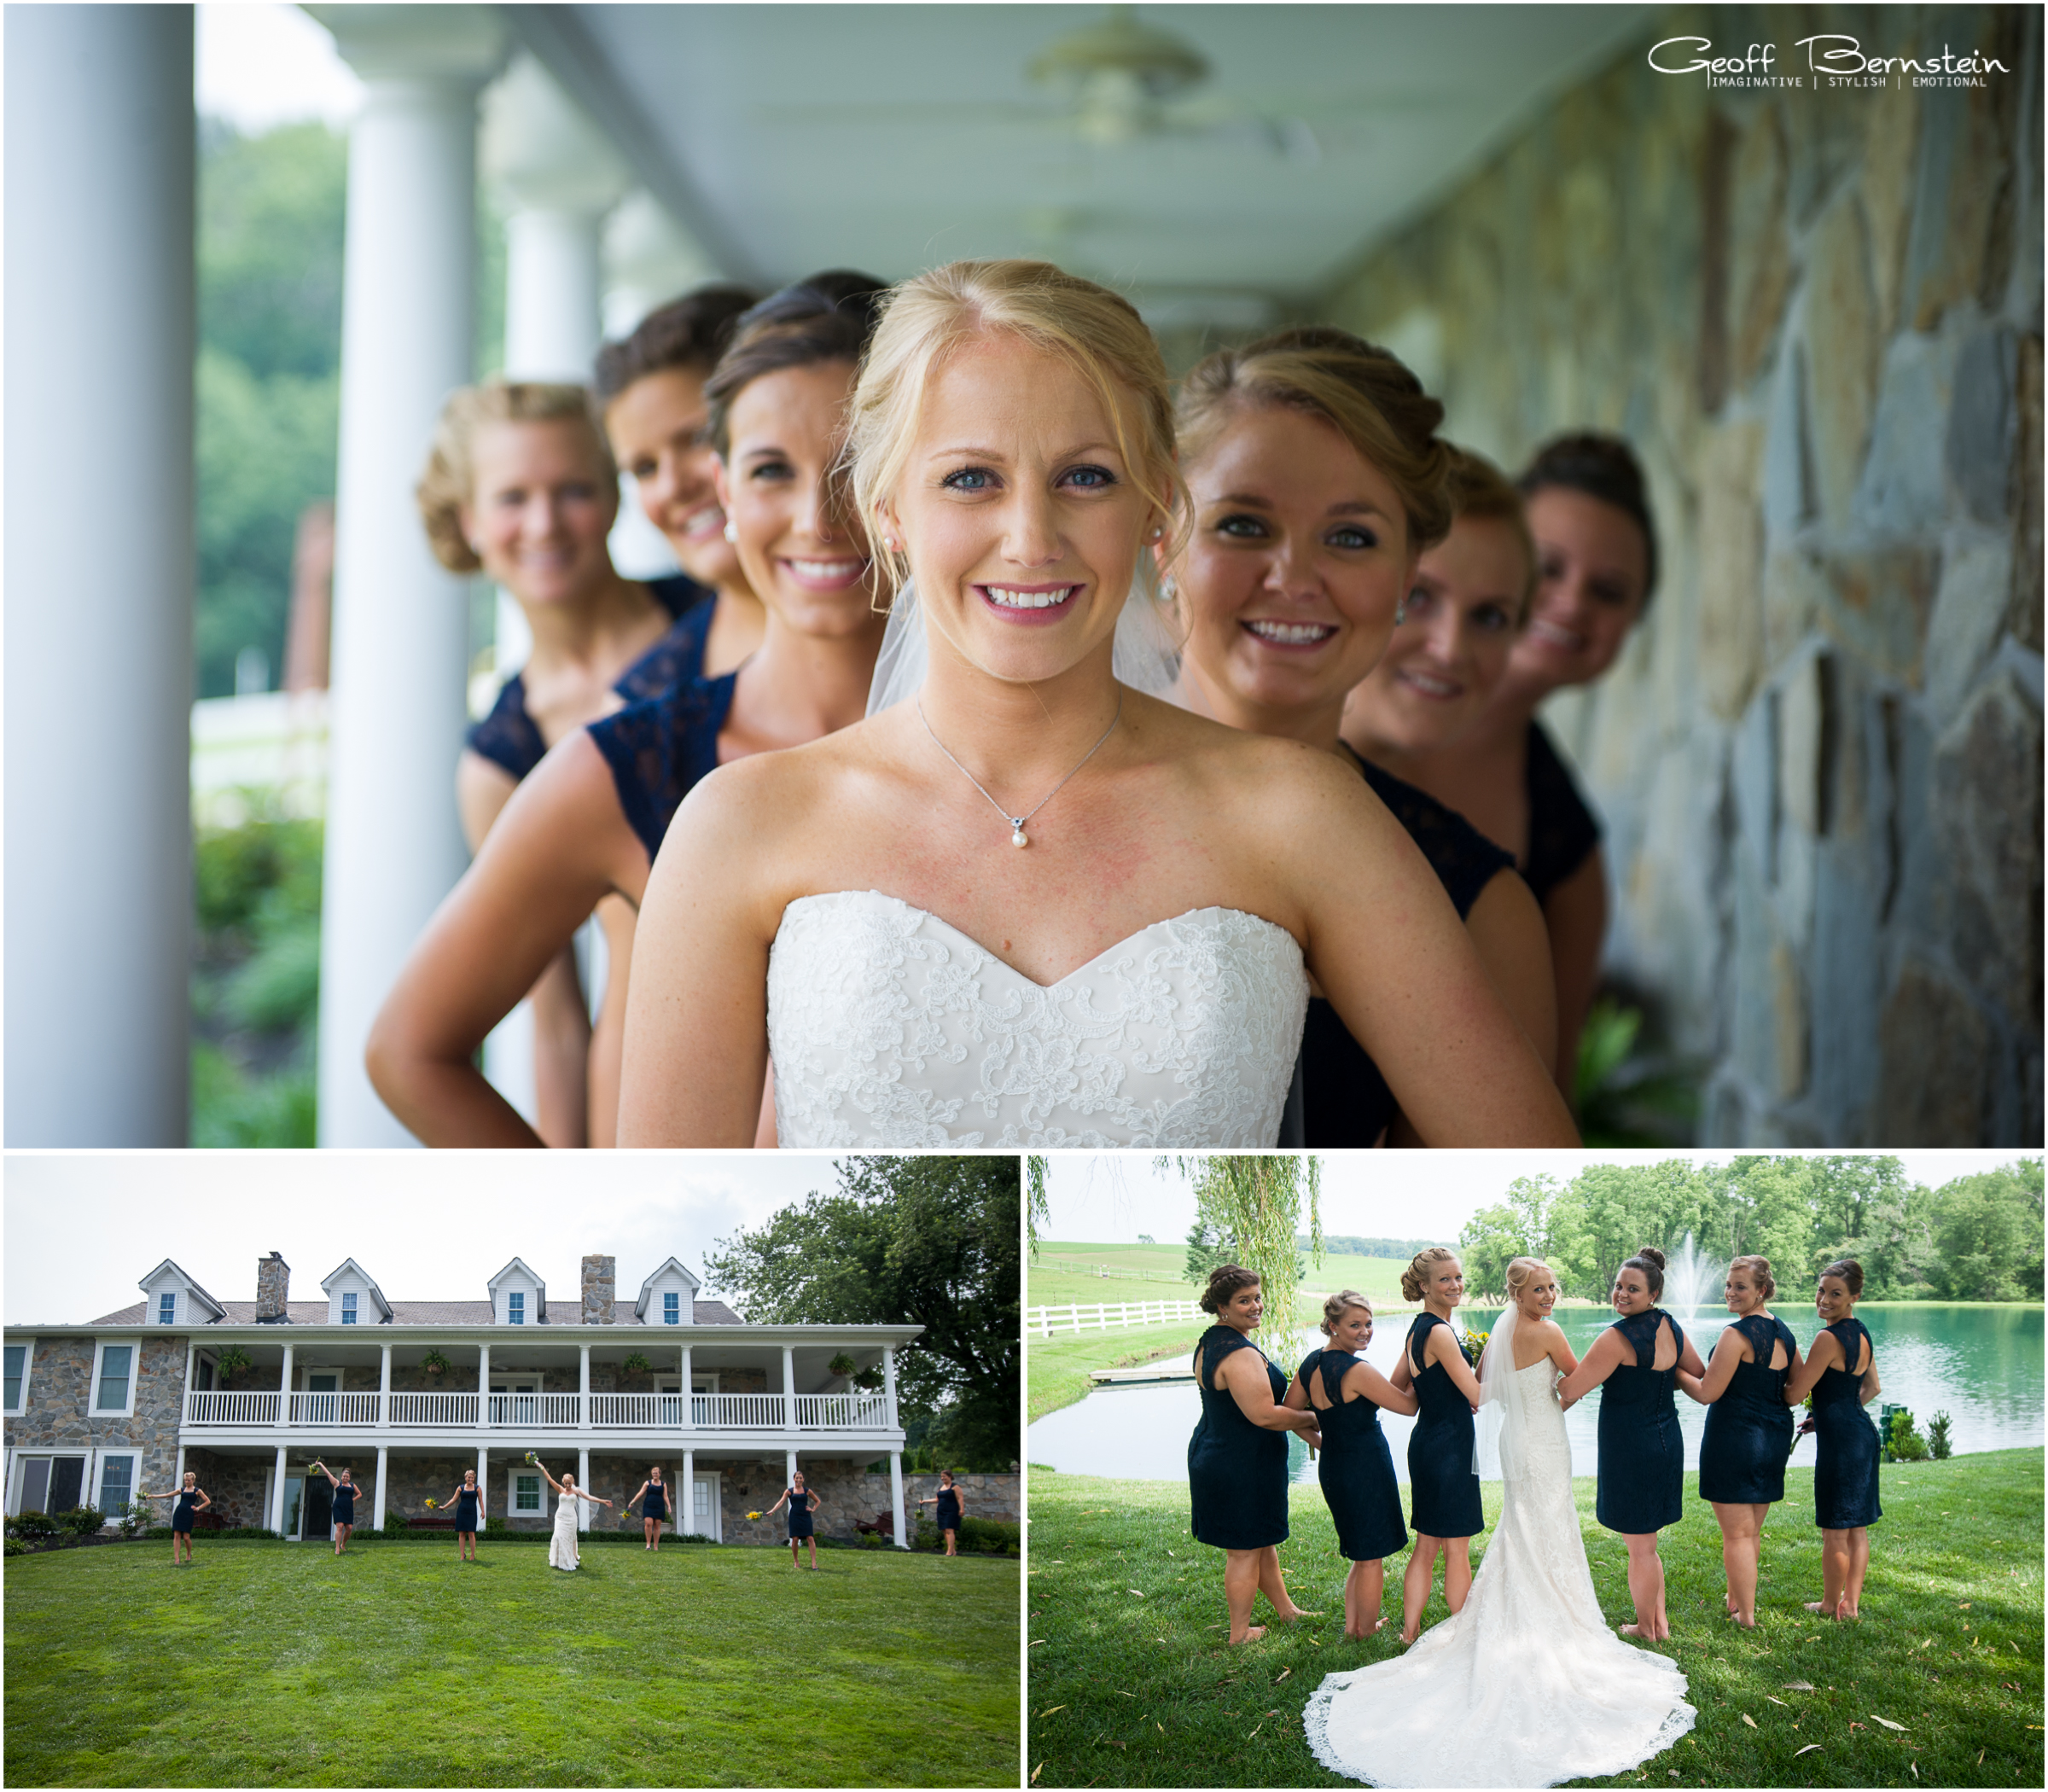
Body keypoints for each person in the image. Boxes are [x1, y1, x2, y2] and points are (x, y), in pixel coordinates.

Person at [615, 258, 1580, 1148]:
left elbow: (1531, 1179)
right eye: (970, 480)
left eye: (1086, 477)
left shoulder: (1305, 815)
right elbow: (671, 1227)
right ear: (888, 512)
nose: (1031, 538)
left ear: (1156, 508)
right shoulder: (739, 826)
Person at [368, 274, 892, 1147]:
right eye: (646, 463)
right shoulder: (631, 746)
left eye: (849, 465)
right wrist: (577, 1212)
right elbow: (523, 1026)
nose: (815, 513)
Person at [1167, 337, 1556, 1143]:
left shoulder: (1477, 908)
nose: (1295, 577)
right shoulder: (1026, 802)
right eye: (1243, 524)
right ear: (1162, 535)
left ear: (1410, 571)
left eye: (1350, 537)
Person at [419, 380, 715, 1146]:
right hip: (648, 1082)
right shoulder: (498, 767)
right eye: (513, 497)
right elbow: (554, 1023)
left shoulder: (722, 618)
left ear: (613, 498)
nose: (545, 523)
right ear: (469, 521)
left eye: (574, 490)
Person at [1342, 432, 1658, 1094]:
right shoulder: (1312, 731)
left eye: (1608, 591)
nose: (1571, 602)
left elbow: (1547, 1090)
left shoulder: (1566, 854)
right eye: (1549, 569)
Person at [1303, 1255, 1696, 1788]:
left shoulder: (1465, 1336)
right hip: (1541, 1439)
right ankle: (1527, 1612)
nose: (1550, 1297)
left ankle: (1433, 1622)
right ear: (1519, 1293)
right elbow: (1568, 1384)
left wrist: (1497, 1381)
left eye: (1553, 1288)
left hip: (1509, 1440)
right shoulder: (1546, 1332)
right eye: (1540, 1289)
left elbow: (1453, 1389)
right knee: (1538, 1527)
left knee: (1511, 1528)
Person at [594, 284, 767, 681]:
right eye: (644, 468)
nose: (673, 487)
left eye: (697, 438)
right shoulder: (642, 700)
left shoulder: (918, 624)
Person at [1558, 1247, 1707, 1640]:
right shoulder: (1671, 1326)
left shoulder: (1615, 1338)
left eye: (1633, 1289)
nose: (1622, 1294)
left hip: (1629, 1449)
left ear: (1653, 1294)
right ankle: (1659, 1623)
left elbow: (1572, 1387)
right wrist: (1664, 1372)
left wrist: (1544, 1363)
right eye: (1619, 1286)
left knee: (1639, 1548)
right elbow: (1697, 1372)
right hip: (1666, 1442)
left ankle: (1647, 1627)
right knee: (1648, 1544)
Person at [1189, 1265, 1324, 1644]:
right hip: (1238, 1463)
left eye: (1257, 1297)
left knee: (1260, 1540)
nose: (1255, 1306)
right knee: (1244, 1551)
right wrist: (1318, 1415)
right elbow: (1264, 1414)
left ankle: (1287, 1610)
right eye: (1244, 1301)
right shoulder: (1238, 1353)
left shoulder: (1212, 1342)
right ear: (1222, 1307)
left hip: (1224, 1453)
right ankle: (1239, 1633)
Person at [1284, 1289, 1415, 1639]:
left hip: (1335, 1467)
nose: (1365, 1331)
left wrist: (1323, 1444)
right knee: (1371, 1557)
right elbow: (1407, 1406)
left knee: (1361, 1552)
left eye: (1369, 1324)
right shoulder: (1357, 1370)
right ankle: (1366, 1631)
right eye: (1355, 1325)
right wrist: (1426, 1371)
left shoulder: (1311, 1363)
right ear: (1332, 1326)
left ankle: (1354, 1627)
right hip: (1366, 1466)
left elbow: (1293, 1415)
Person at [1678, 1255, 1800, 1626]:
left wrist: (1673, 1370)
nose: (1730, 1292)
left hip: (1734, 1440)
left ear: (1762, 1290)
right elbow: (1793, 1391)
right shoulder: (1783, 1332)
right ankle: (1737, 1601)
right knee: (1750, 1532)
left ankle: (1745, 1616)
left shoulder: (1736, 1334)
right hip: (1773, 1438)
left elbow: (1706, 1393)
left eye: (1740, 1287)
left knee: (1738, 1536)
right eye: (1729, 1285)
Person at [1386, 1248, 1483, 1641]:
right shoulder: (1440, 1333)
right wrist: (1522, 1384)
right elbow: (1477, 1393)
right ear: (1424, 1285)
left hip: (1428, 1442)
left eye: (1458, 1277)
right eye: (1445, 1279)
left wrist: (1443, 1398)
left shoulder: (1417, 1330)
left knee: (1427, 1545)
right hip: (1451, 1450)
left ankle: (1409, 1633)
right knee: (1456, 1547)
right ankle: (1463, 1633)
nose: (1455, 1285)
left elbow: (1399, 1390)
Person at [1782, 1259, 1882, 1619]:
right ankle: (1850, 1606)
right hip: (1863, 1436)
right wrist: (1824, 1417)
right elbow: (1871, 1388)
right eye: (1822, 1290)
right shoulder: (1862, 1333)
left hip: (1842, 1447)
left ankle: (1829, 1604)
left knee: (1835, 1529)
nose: (1824, 1299)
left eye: (1835, 1293)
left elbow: (1794, 1394)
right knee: (1856, 1527)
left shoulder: (1827, 1338)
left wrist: (1785, 1355)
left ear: (1855, 1296)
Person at [534, 1458, 612, 1570]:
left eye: (569, 1483)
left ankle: (567, 1560)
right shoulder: (560, 1489)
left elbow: (589, 1497)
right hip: (560, 1517)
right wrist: (541, 1466)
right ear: (563, 1483)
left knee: (568, 1539)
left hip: (571, 1519)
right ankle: (557, 1560)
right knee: (558, 1537)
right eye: (565, 1483)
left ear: (573, 1482)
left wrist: (602, 1501)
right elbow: (549, 1478)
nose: (567, 1486)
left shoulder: (577, 1491)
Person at [138, 1470, 210, 1566]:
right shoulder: (182, 1490)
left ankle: (188, 1554)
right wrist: (153, 1496)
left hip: (188, 1514)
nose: (187, 1482)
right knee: (177, 1536)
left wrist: (197, 1508)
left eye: (189, 1480)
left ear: (193, 1480)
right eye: (185, 1480)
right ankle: (177, 1558)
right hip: (179, 1513)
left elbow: (207, 1501)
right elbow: (167, 1495)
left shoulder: (197, 1491)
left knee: (186, 1537)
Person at [765, 1471, 823, 1568]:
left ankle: (814, 1563)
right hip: (794, 1516)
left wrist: (813, 1509)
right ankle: (796, 1561)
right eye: (797, 1478)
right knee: (795, 1539)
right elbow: (781, 1502)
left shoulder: (807, 1491)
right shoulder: (789, 1491)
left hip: (805, 1516)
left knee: (810, 1538)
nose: (799, 1480)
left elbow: (818, 1501)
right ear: (794, 1479)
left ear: (803, 1479)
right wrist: (772, 1511)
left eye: (800, 1478)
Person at [310, 1460, 360, 1556]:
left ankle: (343, 1545)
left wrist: (353, 1499)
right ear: (341, 1477)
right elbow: (328, 1473)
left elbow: (359, 1494)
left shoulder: (353, 1485)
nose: (345, 1478)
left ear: (349, 1478)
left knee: (349, 1528)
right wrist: (320, 1464)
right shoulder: (337, 1483)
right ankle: (337, 1548)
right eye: (344, 1476)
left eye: (347, 1477)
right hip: (338, 1507)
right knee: (340, 1527)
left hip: (348, 1509)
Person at [436, 1467, 483, 1562]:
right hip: (462, 1512)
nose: (470, 1479)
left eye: (472, 1478)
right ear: (465, 1477)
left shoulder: (477, 1488)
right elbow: (453, 1499)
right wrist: (444, 1507)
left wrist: (483, 1511)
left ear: (474, 1478)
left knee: (471, 1533)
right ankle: (462, 1555)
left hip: (472, 1512)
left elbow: (481, 1500)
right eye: (469, 1477)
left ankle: (472, 1555)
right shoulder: (460, 1488)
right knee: (461, 1533)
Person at [917, 1469, 965, 1556]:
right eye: (942, 1477)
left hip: (952, 1511)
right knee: (944, 1531)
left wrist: (962, 1509)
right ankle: (953, 1551)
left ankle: (949, 1552)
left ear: (950, 1476)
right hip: (941, 1511)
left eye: (944, 1476)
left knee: (949, 1530)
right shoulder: (940, 1488)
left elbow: (960, 1498)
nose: (943, 1478)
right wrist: (924, 1501)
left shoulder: (955, 1487)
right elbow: (937, 1500)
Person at [625, 1465, 670, 1551]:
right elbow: (640, 1493)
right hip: (648, 1505)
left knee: (657, 1525)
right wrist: (633, 1502)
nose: (654, 1475)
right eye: (653, 1473)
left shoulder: (663, 1484)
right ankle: (648, 1544)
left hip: (659, 1506)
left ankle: (656, 1546)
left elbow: (665, 1496)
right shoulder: (648, 1483)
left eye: (656, 1473)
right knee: (648, 1523)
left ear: (659, 1474)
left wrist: (669, 1506)